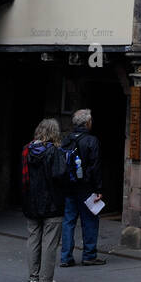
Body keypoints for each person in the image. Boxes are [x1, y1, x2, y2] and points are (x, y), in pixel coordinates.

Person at [21, 118, 69, 282]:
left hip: (31, 201)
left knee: (33, 238)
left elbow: (24, 177)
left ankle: (33, 278)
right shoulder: (55, 152)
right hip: (52, 202)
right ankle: (45, 280)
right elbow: (60, 176)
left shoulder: (27, 150)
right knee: (50, 241)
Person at [60, 108, 106, 266]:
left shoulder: (66, 139)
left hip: (68, 186)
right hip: (86, 187)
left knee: (68, 221)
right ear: (87, 123)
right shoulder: (92, 141)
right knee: (90, 220)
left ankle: (65, 257)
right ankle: (89, 254)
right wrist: (98, 188)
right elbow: (95, 166)